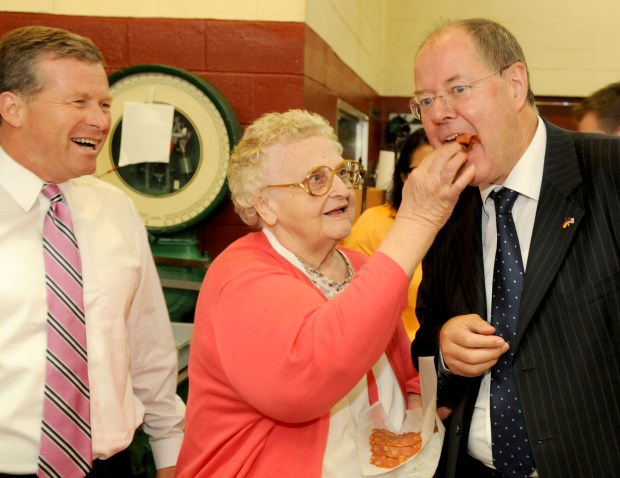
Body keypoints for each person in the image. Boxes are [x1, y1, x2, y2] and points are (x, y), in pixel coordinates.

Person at [176, 109, 474, 477]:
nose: (341, 190)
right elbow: (308, 378)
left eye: (341, 173)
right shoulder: (241, 277)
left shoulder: (359, 265)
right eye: (316, 180)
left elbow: (402, 363)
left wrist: (418, 401)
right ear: (265, 205)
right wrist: (416, 221)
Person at [409, 18, 620, 478]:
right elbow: (423, 349)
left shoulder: (609, 171)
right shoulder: (445, 210)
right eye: (425, 100)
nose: (438, 113)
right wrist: (443, 350)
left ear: (515, 84)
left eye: (457, 89)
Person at [0, 26, 184, 477]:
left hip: (110, 467)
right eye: (78, 102)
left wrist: (171, 452)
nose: (101, 121)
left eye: (104, 103)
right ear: (12, 108)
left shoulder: (115, 209)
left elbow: (149, 346)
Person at [342, 128, 434, 339]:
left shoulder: (470, 226)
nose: (436, 179)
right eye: (424, 170)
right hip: (396, 354)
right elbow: (353, 303)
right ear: (403, 176)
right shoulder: (375, 223)